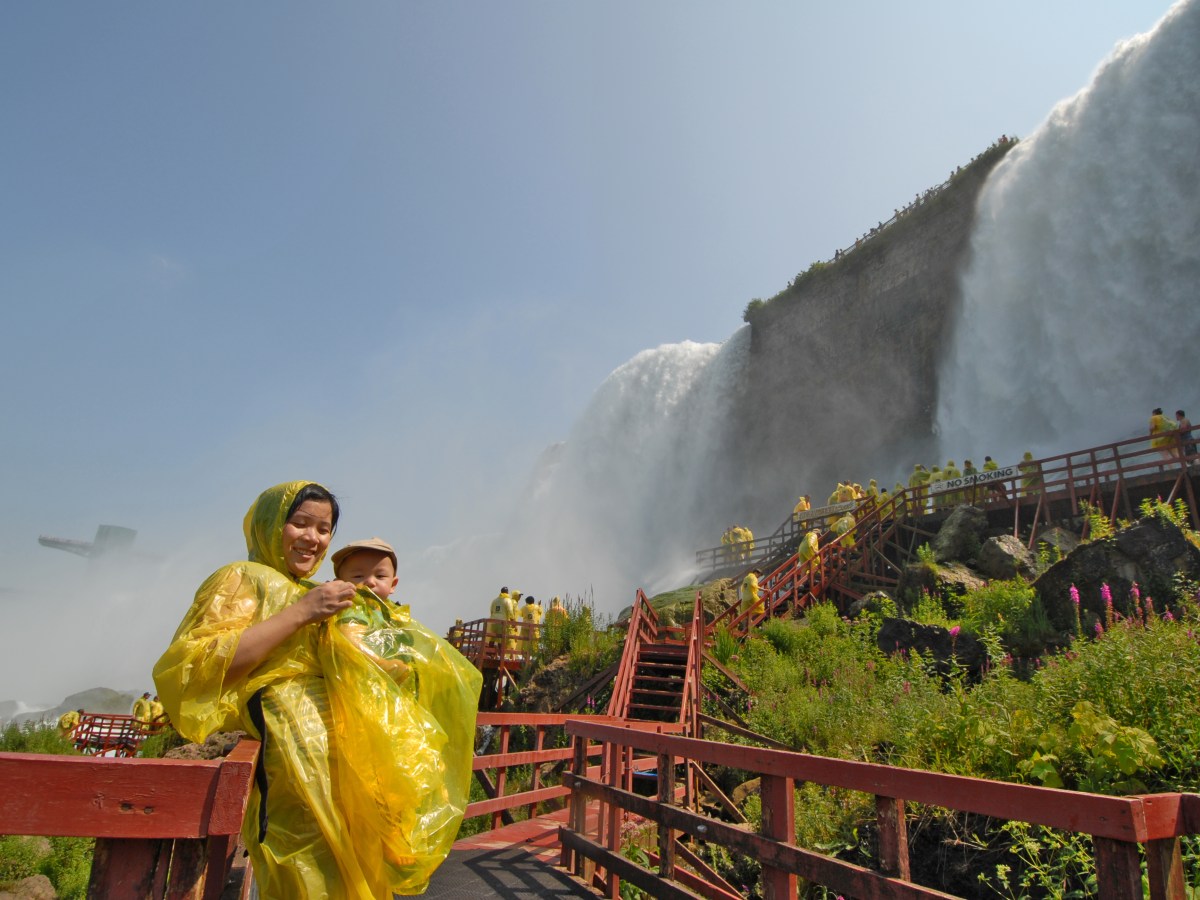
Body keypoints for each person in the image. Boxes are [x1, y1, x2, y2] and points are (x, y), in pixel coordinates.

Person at [153, 481, 481, 898]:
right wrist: (302, 613)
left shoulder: (318, 592)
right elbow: (195, 666)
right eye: (301, 524)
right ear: (271, 525)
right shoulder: (242, 579)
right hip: (292, 769)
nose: (312, 538)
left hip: (348, 771)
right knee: (305, 876)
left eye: (323, 529)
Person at [332, 537, 400, 601]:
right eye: (358, 576)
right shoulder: (331, 610)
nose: (370, 582)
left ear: (393, 585)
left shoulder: (395, 613)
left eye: (380, 576)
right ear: (338, 584)